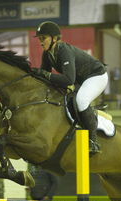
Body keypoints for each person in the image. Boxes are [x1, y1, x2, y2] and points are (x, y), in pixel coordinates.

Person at [32, 21, 107, 155]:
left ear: (54, 38)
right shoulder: (47, 54)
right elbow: (45, 78)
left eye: (43, 38)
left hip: (97, 76)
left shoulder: (63, 50)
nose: (41, 42)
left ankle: (94, 141)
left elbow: (68, 80)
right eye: (40, 39)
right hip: (81, 80)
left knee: (81, 100)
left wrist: (44, 74)